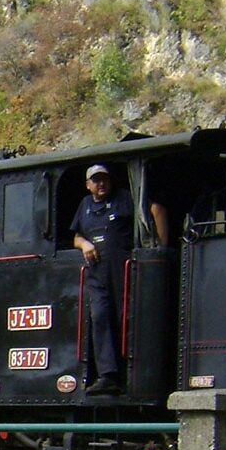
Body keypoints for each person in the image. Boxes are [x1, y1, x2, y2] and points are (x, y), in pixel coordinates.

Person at [70, 164, 167, 395]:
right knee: (100, 317)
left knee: (125, 318)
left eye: (104, 179)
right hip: (96, 272)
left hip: (123, 269)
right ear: (88, 185)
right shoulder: (84, 206)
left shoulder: (124, 198)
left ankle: (129, 373)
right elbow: (75, 236)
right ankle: (108, 375)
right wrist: (84, 244)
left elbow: (156, 210)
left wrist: (160, 250)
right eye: (96, 180)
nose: (101, 184)